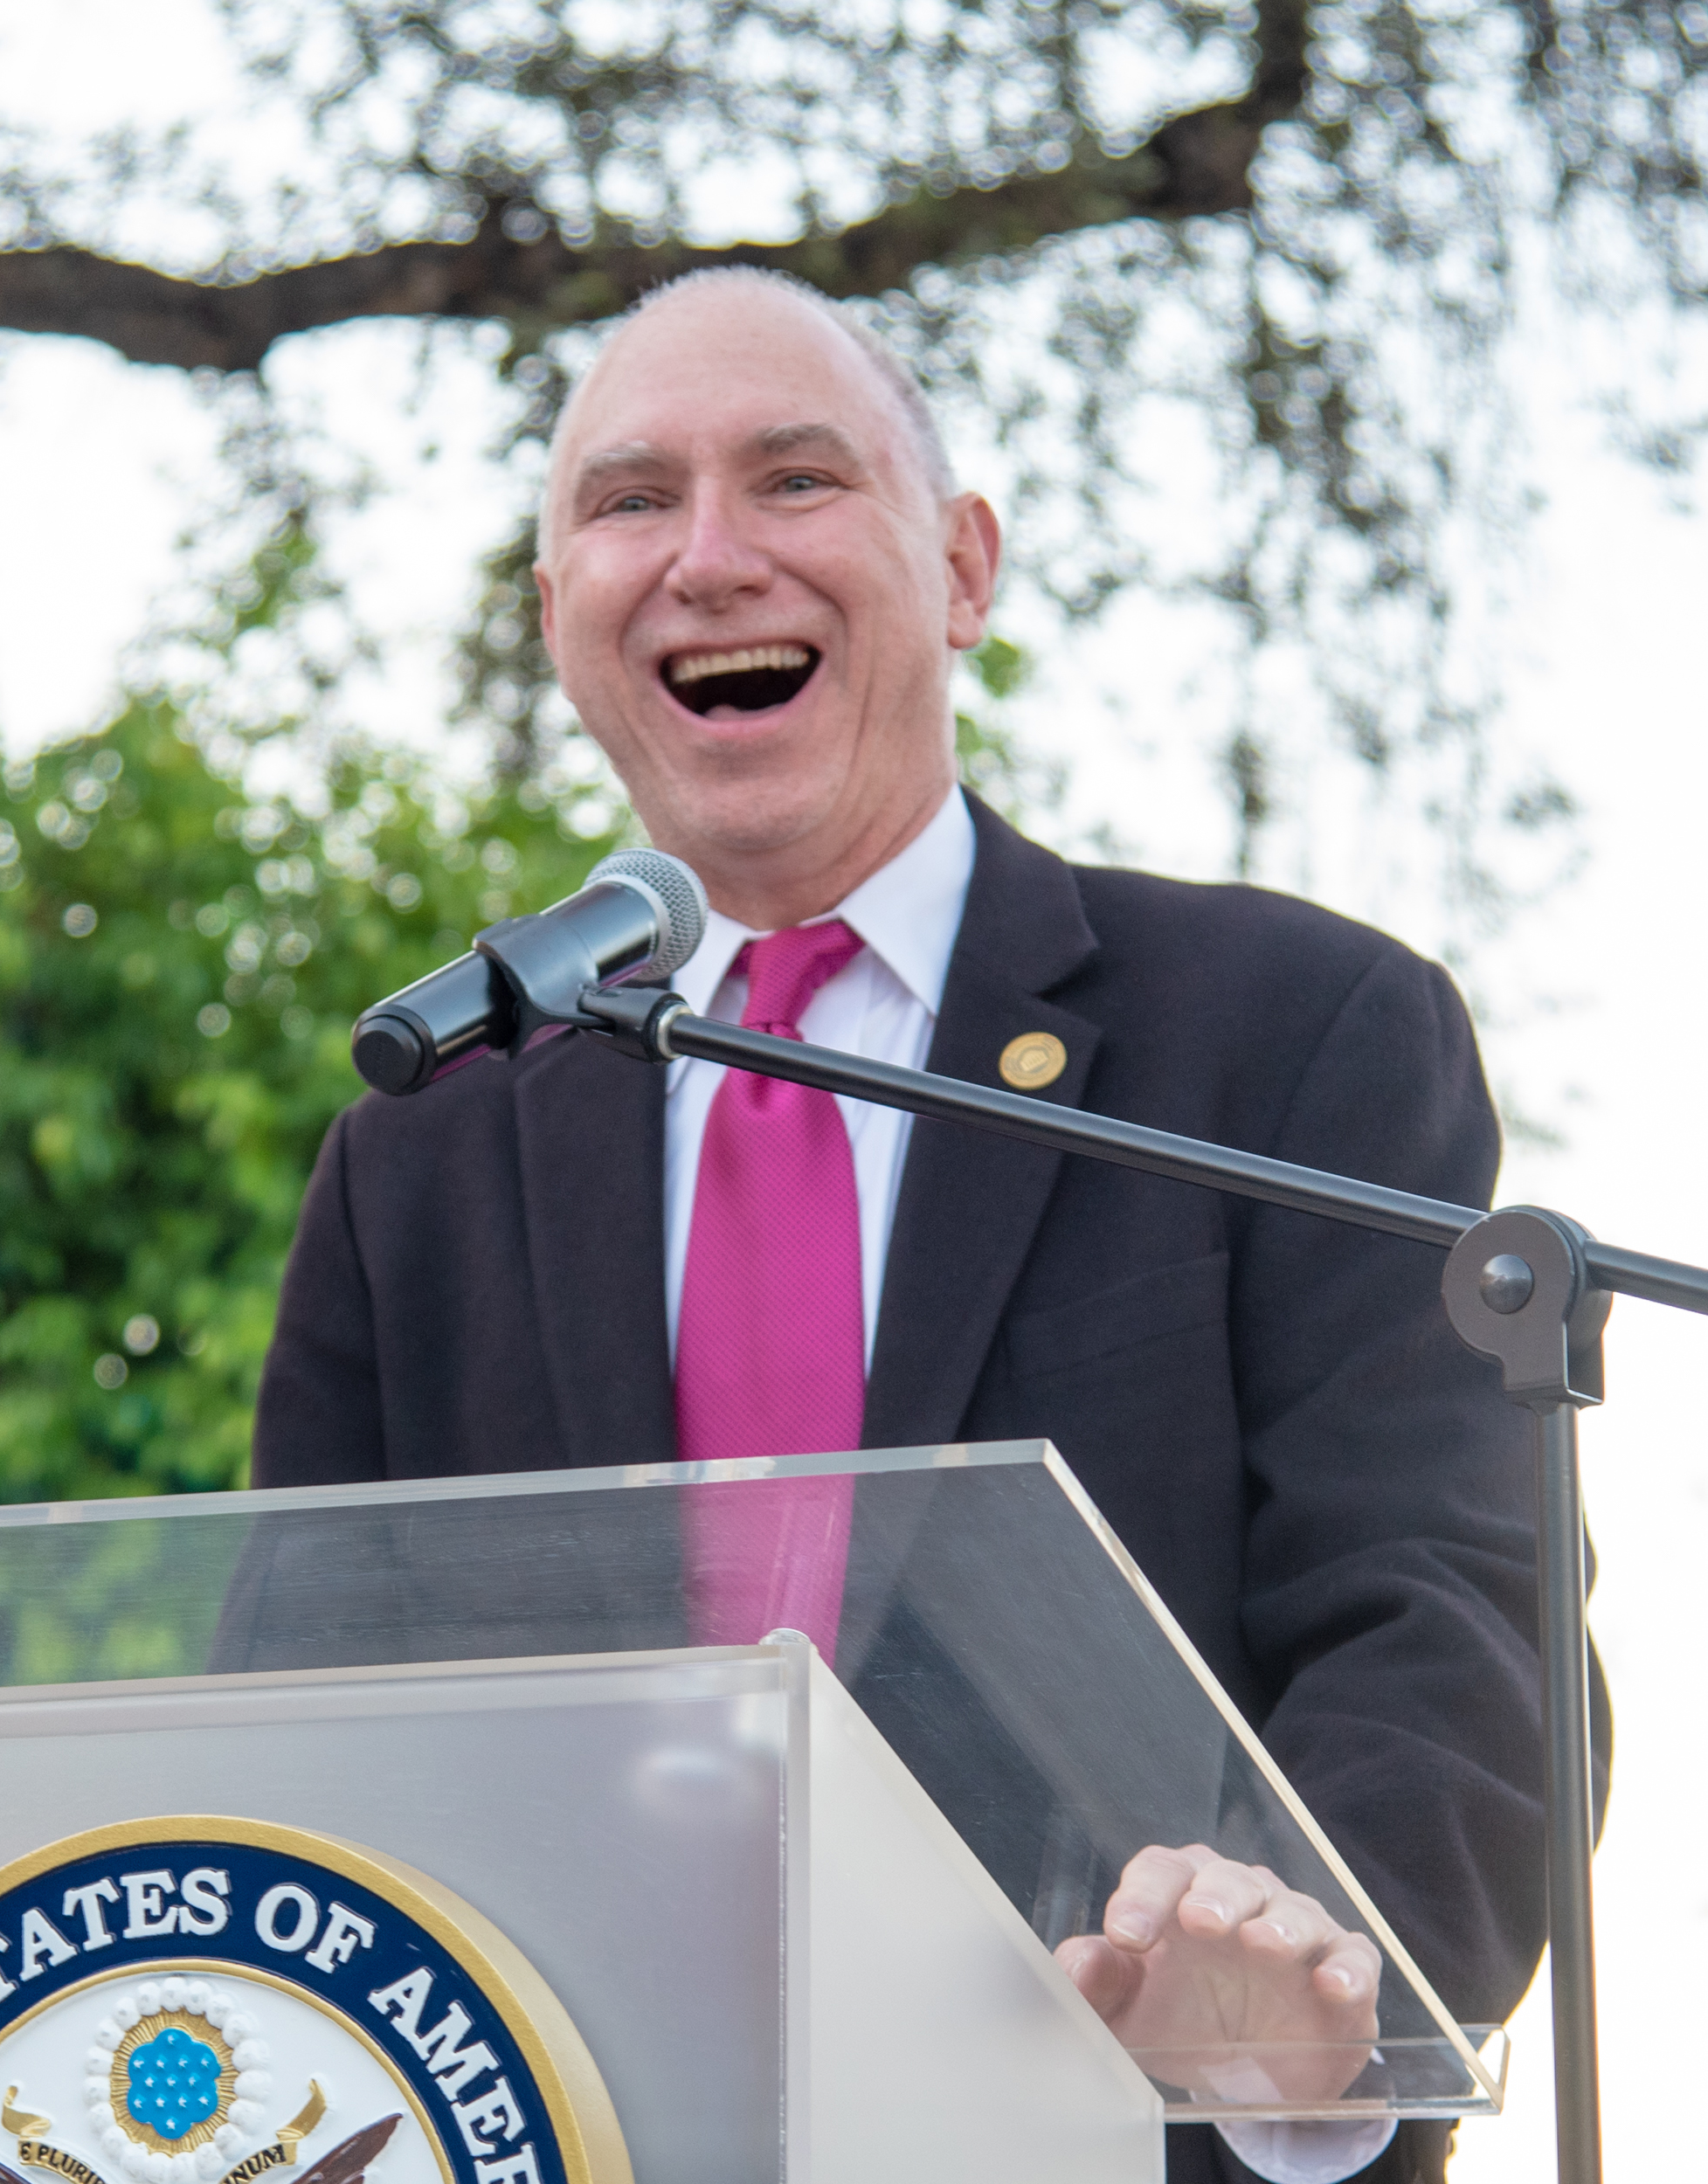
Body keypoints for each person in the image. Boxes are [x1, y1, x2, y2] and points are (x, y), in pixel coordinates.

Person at [250, 268, 1580, 2184]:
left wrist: (1308, 1982)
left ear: (959, 567)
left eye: (795, 479)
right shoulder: (420, 1160)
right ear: (560, 619)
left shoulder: (1292, 1034)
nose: (708, 556)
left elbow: (1449, 1612)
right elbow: (307, 1742)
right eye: (629, 502)